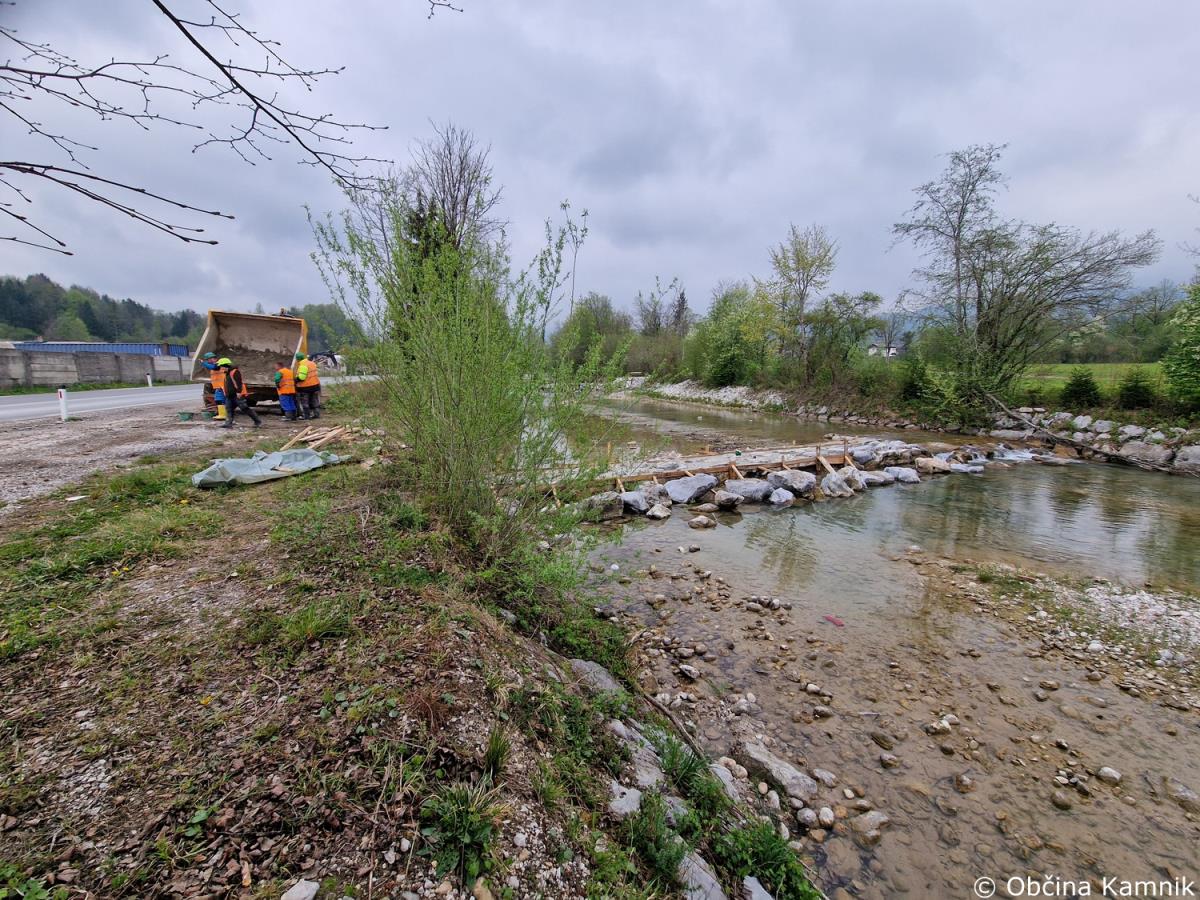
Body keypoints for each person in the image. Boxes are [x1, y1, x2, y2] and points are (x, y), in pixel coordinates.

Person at [217, 357, 262, 429]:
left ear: (226, 365)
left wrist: (238, 392)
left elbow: (239, 383)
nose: (221, 368)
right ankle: (228, 423)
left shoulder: (235, 372)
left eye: (221, 366)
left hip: (237, 395)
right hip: (229, 395)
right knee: (228, 409)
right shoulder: (227, 373)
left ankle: (258, 422)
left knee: (244, 408)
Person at [294, 351, 321, 420]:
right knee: (315, 401)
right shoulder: (312, 363)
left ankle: (306, 416)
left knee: (305, 403)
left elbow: (301, 377)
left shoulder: (303, 365)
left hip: (305, 387)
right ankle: (316, 414)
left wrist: (295, 380)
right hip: (315, 385)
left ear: (298, 359)